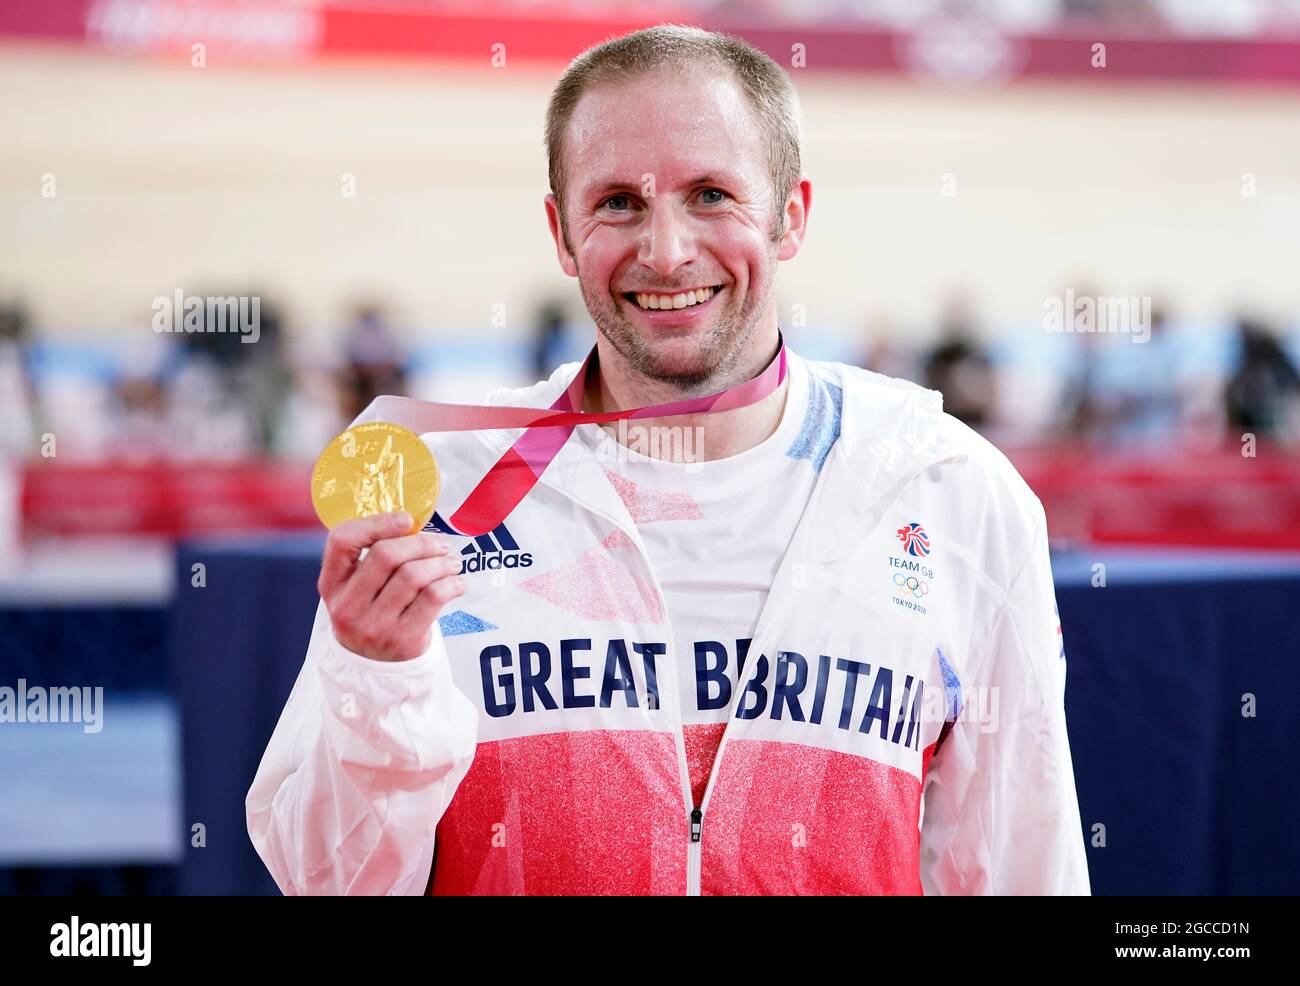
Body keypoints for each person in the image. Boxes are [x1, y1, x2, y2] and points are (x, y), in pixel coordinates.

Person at [246, 25, 1090, 896]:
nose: (666, 251)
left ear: (790, 214)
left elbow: (1025, 866)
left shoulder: (953, 493)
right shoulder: (441, 495)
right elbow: (328, 879)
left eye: (712, 194)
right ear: (562, 234)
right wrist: (376, 678)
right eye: (617, 202)